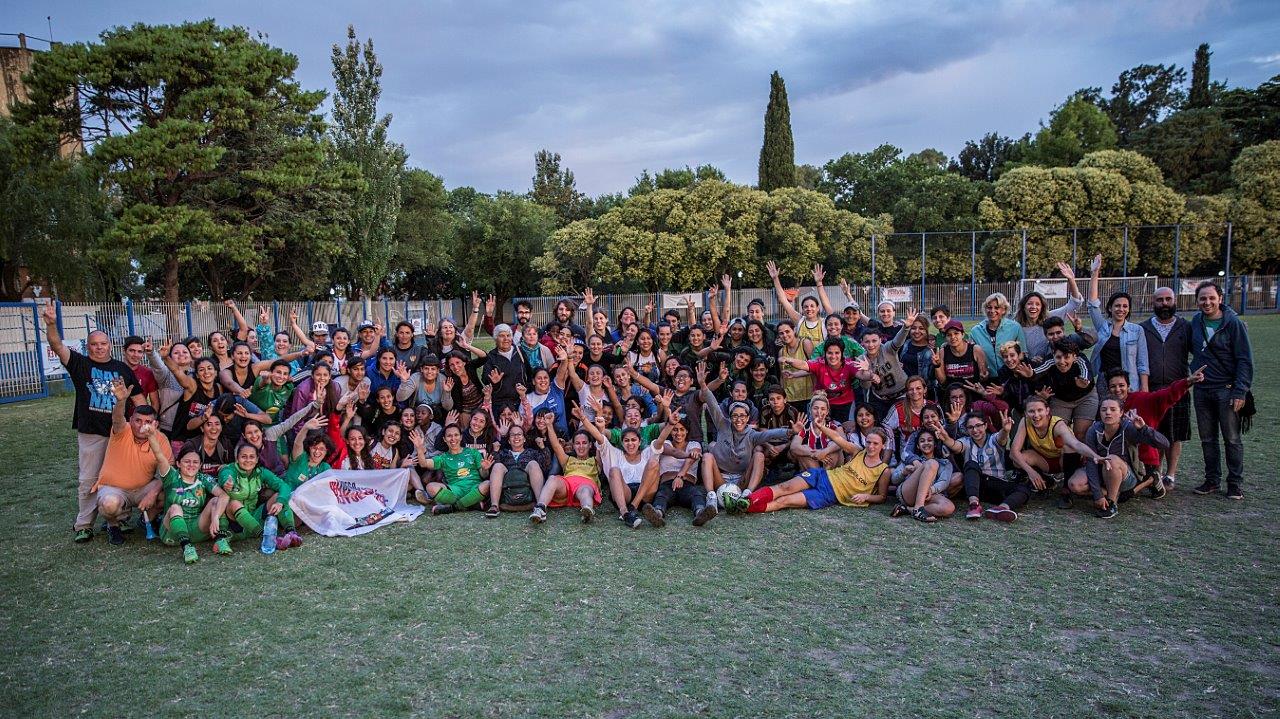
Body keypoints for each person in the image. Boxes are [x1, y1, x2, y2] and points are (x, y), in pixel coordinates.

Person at [42, 301, 145, 543]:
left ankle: (119, 519)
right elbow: (56, 344)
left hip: (120, 433)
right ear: (87, 347)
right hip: (92, 432)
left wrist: (142, 423)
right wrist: (51, 324)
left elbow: (139, 398)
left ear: (110, 345)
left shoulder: (121, 368)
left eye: (103, 344)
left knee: (121, 477)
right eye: (94, 345)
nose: (99, 348)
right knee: (88, 478)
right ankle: (84, 524)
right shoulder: (80, 364)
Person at [698, 362, 801, 510]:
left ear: (747, 418)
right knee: (707, 456)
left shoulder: (752, 434)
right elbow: (712, 404)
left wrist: (790, 431)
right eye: (734, 416)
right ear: (730, 416)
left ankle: (747, 495)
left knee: (759, 455)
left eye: (742, 416)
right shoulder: (722, 424)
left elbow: (769, 434)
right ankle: (711, 498)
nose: (738, 419)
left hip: (742, 479)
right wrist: (703, 385)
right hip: (721, 477)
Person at [1188, 281, 1253, 500]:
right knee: (1207, 439)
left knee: (1231, 438)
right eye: (1203, 298)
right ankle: (1212, 480)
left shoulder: (1232, 323)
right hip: (1202, 389)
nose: (1207, 302)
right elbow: (1193, 350)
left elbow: (1245, 359)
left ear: (1220, 299)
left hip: (1226, 389)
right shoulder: (1195, 321)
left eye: (1211, 298)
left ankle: (1234, 483)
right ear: (1197, 301)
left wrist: (1240, 390)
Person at [91, 381, 172, 545]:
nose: (142, 426)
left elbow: (169, 471)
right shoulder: (122, 430)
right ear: (131, 420)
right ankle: (113, 525)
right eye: (138, 421)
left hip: (142, 488)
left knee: (166, 494)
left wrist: (153, 492)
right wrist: (121, 401)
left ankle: (147, 520)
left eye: (148, 422)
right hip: (114, 488)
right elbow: (117, 418)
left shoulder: (161, 439)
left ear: (155, 424)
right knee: (110, 505)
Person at [741, 425, 890, 513]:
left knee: (784, 501)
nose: (870, 446)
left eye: (875, 444)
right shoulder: (858, 451)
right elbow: (838, 439)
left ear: (883, 445)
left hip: (828, 495)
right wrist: (820, 427)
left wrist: (866, 497)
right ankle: (746, 501)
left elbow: (882, 497)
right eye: (869, 442)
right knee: (783, 487)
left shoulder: (883, 470)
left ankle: (747, 508)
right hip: (822, 475)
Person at [1105, 367, 1204, 498]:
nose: (1117, 389)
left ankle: (1152, 478)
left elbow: (1167, 394)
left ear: (1129, 386)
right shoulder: (1107, 407)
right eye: (1113, 386)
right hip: (1122, 458)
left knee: (1124, 495)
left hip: (1144, 459)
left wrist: (1188, 382)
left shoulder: (1143, 399)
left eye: (1121, 385)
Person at [1065, 399, 1169, 518]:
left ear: (1121, 413)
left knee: (1111, 460)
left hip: (1125, 475)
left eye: (1113, 409)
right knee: (1074, 484)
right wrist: (1098, 495)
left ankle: (1111, 503)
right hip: (1101, 473)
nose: (1108, 413)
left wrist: (1144, 429)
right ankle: (1113, 493)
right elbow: (1091, 461)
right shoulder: (1094, 430)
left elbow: (1165, 444)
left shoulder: (1129, 428)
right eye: (1104, 410)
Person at [1140, 286, 1192, 489]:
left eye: (1168, 299)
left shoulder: (1185, 327)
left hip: (1178, 388)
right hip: (1152, 390)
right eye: (1160, 300)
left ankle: (1171, 474)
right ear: (1153, 302)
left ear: (1175, 300)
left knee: (1175, 433)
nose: (1164, 304)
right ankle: (1156, 473)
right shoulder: (1144, 328)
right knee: (1155, 432)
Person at [1008, 396, 1102, 507]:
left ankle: (1066, 491)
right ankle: (1045, 481)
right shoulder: (1025, 421)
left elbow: (1075, 444)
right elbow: (1013, 452)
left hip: (1065, 460)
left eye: (1040, 410)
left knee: (1068, 445)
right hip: (1045, 461)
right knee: (1018, 459)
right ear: (1026, 413)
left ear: (1047, 411)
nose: (1036, 415)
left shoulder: (1057, 424)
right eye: (1031, 411)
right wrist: (1031, 472)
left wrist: (1094, 455)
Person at [933, 409, 1023, 522]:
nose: (975, 430)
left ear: (985, 425)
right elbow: (955, 446)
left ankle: (1002, 508)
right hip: (974, 486)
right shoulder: (966, 441)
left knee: (1023, 488)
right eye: (970, 427)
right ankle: (974, 505)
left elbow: (1002, 437)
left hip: (995, 484)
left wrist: (1005, 430)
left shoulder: (994, 439)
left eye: (978, 426)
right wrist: (945, 438)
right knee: (971, 464)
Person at [155, 446, 233, 563]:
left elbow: (224, 496)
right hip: (172, 534)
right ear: (178, 463)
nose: (191, 465)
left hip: (197, 528)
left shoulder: (202, 478)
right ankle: (187, 547)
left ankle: (220, 540)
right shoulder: (172, 477)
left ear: (200, 465)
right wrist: (150, 435)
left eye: (195, 462)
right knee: (175, 508)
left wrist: (216, 517)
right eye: (187, 461)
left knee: (216, 501)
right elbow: (159, 456)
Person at [218, 443, 301, 548]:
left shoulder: (260, 472)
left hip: (254, 517)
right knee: (234, 503)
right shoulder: (229, 469)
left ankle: (291, 533)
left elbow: (284, 486)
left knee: (278, 497)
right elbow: (225, 475)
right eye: (244, 456)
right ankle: (266, 538)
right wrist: (227, 482)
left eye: (252, 457)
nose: (248, 460)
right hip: (235, 525)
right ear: (237, 458)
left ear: (257, 459)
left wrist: (280, 502)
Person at [1086, 254, 1149, 394]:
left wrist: (1144, 388)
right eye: (1117, 306)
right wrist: (1095, 273)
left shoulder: (1137, 331)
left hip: (1128, 384)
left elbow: (1142, 363)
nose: (1121, 309)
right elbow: (1092, 304)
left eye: (1125, 306)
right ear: (1110, 308)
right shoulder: (1103, 327)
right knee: (1106, 415)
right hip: (1105, 382)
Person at [411, 424, 494, 515]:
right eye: (449, 436)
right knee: (430, 487)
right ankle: (470, 504)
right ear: (444, 439)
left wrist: (485, 469)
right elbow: (423, 464)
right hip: (454, 491)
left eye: (456, 435)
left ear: (461, 437)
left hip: (474, 488)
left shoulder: (472, 452)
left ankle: (454, 507)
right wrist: (419, 448)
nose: (453, 439)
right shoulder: (443, 457)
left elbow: (484, 475)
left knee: (488, 484)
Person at [529, 428, 603, 524]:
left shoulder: (596, 460)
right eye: (577, 443)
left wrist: (600, 428)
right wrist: (549, 425)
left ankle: (587, 510)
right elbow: (556, 446)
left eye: (584, 443)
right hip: (567, 484)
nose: (581, 446)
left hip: (586, 484)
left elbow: (601, 442)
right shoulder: (567, 459)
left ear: (590, 445)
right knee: (552, 478)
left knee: (585, 490)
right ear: (573, 446)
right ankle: (540, 509)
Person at [780, 338, 860, 422]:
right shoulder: (819, 363)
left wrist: (870, 374)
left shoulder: (849, 364)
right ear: (824, 353)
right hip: (822, 405)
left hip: (845, 404)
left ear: (842, 353)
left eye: (837, 353)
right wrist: (788, 360)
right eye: (829, 353)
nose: (833, 356)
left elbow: (862, 375)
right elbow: (804, 364)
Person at [1015, 261, 1084, 359]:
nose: (1033, 307)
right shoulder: (1016, 327)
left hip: (1051, 367)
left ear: (1042, 307)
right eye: (1029, 304)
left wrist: (1071, 279)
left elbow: (1075, 303)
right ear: (1023, 307)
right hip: (1027, 369)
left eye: (1037, 304)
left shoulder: (1050, 318)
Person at [1032, 339, 1098, 440]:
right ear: (1053, 355)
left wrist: (1084, 382)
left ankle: (1082, 455)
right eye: (1058, 357)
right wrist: (1030, 374)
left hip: (1085, 397)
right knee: (1057, 433)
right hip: (1060, 399)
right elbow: (1036, 372)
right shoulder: (1050, 361)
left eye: (1067, 357)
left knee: (1081, 433)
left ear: (1075, 357)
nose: (1062, 361)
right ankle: (1061, 455)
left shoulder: (1081, 359)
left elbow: (1086, 375)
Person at [889, 427, 959, 522]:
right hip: (909, 493)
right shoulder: (912, 460)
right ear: (918, 446)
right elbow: (894, 480)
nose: (926, 443)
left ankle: (908, 509)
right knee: (931, 463)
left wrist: (931, 489)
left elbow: (944, 481)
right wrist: (904, 472)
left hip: (929, 494)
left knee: (948, 507)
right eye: (922, 441)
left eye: (930, 440)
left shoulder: (945, 463)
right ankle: (918, 509)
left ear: (935, 444)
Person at [969, 292, 1027, 374]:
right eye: (989, 307)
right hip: (987, 378)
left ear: (1003, 310)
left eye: (997, 308)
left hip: (1010, 377)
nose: (992, 311)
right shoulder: (975, 331)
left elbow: (1022, 353)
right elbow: (972, 357)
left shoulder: (1015, 327)